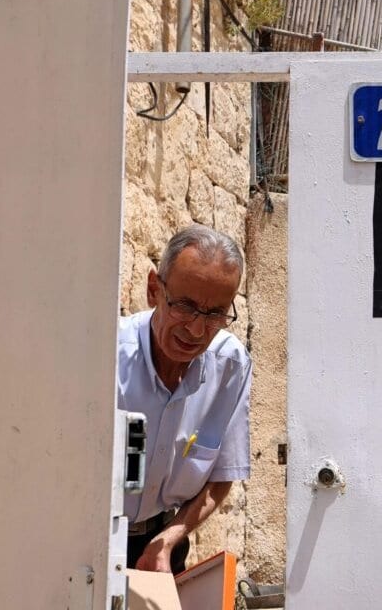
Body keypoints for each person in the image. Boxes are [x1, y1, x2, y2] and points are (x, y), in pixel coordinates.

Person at [117, 224, 252, 573]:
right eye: (185, 306)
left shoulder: (230, 365)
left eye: (214, 315)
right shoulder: (109, 358)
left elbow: (221, 476)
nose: (195, 330)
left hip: (162, 545)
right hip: (88, 540)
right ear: (153, 290)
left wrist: (171, 537)